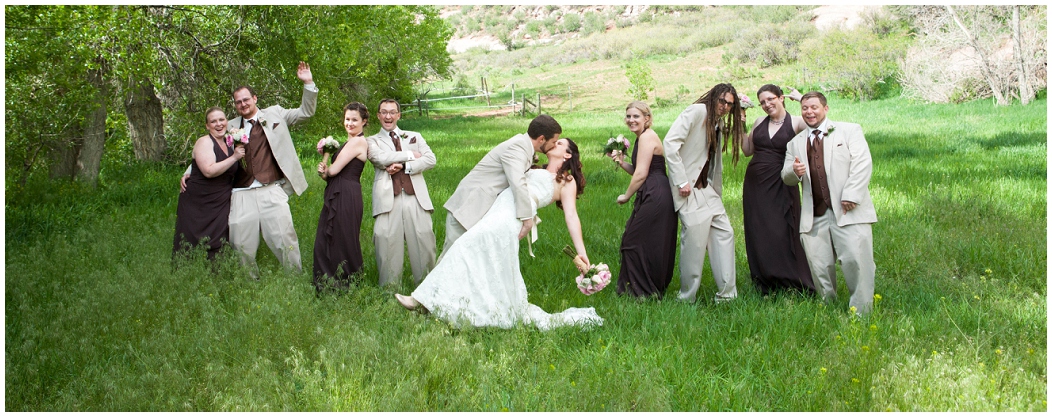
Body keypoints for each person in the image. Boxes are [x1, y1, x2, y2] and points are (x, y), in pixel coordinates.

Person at [394, 139, 602, 330]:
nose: (552, 143)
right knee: (481, 259)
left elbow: (572, 216)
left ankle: (421, 300)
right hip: (498, 207)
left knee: (463, 246)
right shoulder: (534, 167)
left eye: (559, 143)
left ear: (567, 155)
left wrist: (582, 253)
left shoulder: (567, 180)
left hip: (513, 215)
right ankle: (443, 303)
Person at [182, 61, 318, 275]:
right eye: (238, 102)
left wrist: (308, 83)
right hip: (240, 193)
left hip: (272, 189)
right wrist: (190, 172)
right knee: (240, 243)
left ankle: (295, 279)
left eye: (246, 99)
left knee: (285, 239)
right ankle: (249, 282)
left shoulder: (275, 114)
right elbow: (210, 147)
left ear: (255, 99)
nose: (243, 104)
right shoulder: (230, 126)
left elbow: (306, 112)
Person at [781, 91, 877, 314]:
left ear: (825, 108)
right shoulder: (795, 143)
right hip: (815, 214)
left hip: (847, 209)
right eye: (805, 108)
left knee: (856, 261)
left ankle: (861, 312)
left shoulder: (849, 130)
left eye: (814, 107)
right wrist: (793, 172)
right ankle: (828, 307)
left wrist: (852, 194)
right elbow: (785, 176)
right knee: (819, 265)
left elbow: (863, 163)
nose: (809, 112)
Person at [663, 83, 746, 303]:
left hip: (708, 190)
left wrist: (714, 188)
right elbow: (670, 143)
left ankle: (727, 295)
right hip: (688, 189)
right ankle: (686, 297)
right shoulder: (697, 111)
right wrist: (681, 181)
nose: (725, 106)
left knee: (725, 233)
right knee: (695, 244)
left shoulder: (718, 121)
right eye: (722, 101)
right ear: (713, 96)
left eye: (730, 104)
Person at [442, 114, 562, 257]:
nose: (555, 145)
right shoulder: (517, 147)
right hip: (468, 207)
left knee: (467, 259)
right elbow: (518, 183)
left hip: (479, 208)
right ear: (541, 139)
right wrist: (527, 219)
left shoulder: (523, 146)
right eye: (554, 141)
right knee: (450, 258)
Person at [741, 85, 816, 296]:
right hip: (755, 184)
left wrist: (804, 101)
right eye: (763, 102)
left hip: (782, 181)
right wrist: (740, 124)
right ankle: (765, 277)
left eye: (770, 99)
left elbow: (820, 126)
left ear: (781, 98)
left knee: (782, 228)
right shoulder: (759, 122)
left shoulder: (796, 123)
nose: (767, 104)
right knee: (759, 229)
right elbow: (747, 150)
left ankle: (791, 278)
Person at [608, 101, 677, 298]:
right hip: (651, 189)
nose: (631, 120)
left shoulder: (648, 137)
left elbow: (640, 174)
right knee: (642, 240)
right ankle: (640, 289)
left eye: (636, 116)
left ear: (647, 118)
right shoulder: (642, 138)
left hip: (656, 194)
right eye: (628, 116)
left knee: (634, 240)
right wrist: (622, 163)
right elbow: (638, 169)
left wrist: (626, 196)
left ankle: (643, 289)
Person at [366, 99, 437, 288]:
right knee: (386, 240)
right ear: (378, 116)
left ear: (399, 115)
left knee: (424, 241)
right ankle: (389, 290)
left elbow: (431, 159)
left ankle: (426, 290)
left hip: (416, 198)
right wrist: (411, 155)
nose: (388, 116)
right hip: (388, 199)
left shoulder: (414, 136)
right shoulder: (372, 141)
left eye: (392, 112)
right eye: (384, 112)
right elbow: (380, 158)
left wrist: (404, 166)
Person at [173, 107, 246, 260]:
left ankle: (216, 275)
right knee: (191, 239)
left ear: (227, 121)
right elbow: (208, 171)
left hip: (220, 199)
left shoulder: (230, 142)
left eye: (221, 120)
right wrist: (234, 158)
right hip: (199, 200)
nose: (218, 124)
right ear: (207, 126)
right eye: (213, 121)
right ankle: (187, 274)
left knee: (218, 236)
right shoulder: (204, 142)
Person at [312, 102, 370, 293]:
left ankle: (346, 282)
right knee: (332, 237)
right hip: (338, 191)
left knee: (343, 238)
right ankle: (331, 281)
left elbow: (334, 171)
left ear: (364, 122)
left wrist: (327, 167)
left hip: (346, 193)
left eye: (355, 120)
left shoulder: (358, 142)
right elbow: (327, 175)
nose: (350, 123)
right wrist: (323, 171)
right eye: (347, 119)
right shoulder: (348, 142)